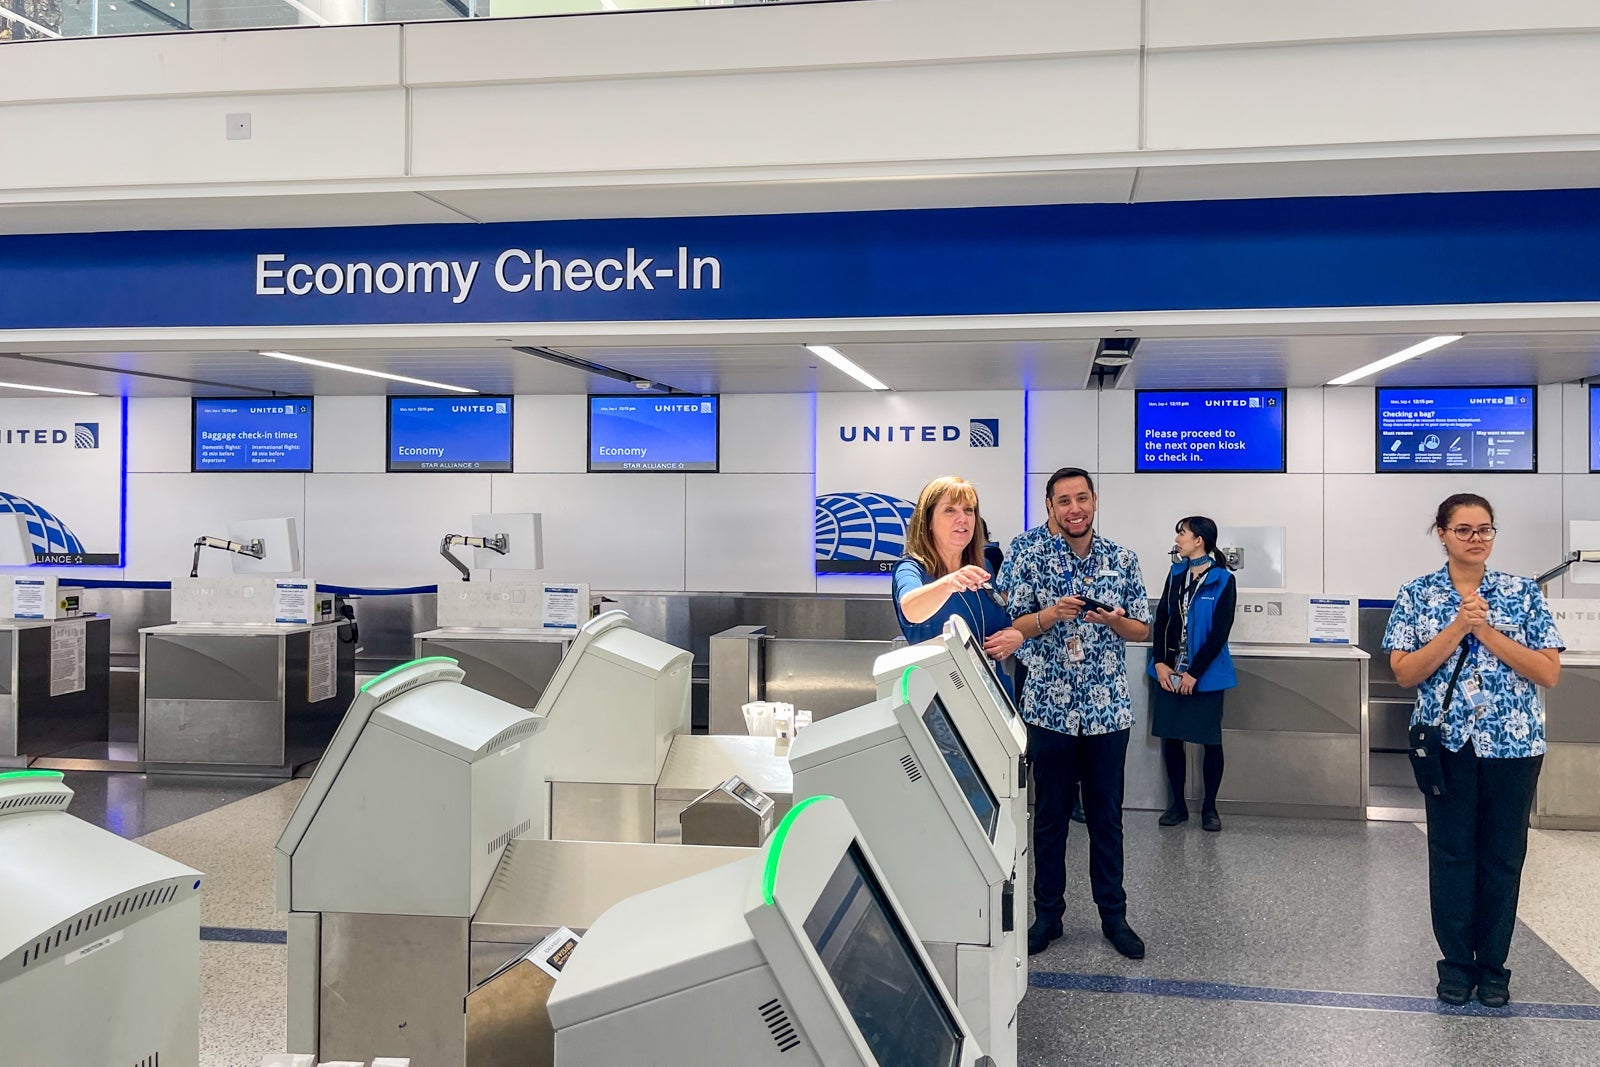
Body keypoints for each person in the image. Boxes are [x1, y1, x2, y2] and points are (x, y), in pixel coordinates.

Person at [1383, 493, 1563, 1009]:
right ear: (1440, 533)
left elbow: (1548, 671)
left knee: (1503, 858)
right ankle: (1457, 965)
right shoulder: (1417, 594)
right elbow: (1403, 672)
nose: (1476, 538)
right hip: (1448, 746)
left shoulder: (1522, 593)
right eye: (1463, 529)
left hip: (1514, 744)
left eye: (1485, 529)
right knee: (1452, 854)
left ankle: (1495, 967)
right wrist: (1458, 627)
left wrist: (1486, 631)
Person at [996, 467, 1151, 960]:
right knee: (1050, 820)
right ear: (1050, 508)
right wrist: (1049, 616)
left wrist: (1116, 620)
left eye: (1081, 498)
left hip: (1108, 713)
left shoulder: (1122, 559)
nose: (1074, 509)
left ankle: (1114, 917)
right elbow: (1011, 623)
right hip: (1048, 709)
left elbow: (1142, 631)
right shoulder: (1026, 553)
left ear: (1095, 500)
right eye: (1063, 501)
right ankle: (1047, 917)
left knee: (1107, 819)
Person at [1149, 516, 1237, 833]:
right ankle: (1177, 806)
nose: (1178, 540)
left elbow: (1219, 633)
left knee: (1210, 740)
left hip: (1206, 675)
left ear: (1198, 539)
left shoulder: (1223, 580)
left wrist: (1194, 673)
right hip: (1170, 672)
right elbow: (1161, 621)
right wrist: (1160, 662)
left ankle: (1209, 808)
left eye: (1182, 534)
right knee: (1172, 738)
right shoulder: (1175, 576)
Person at [892, 477, 1023, 677]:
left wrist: (1015, 636)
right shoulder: (911, 569)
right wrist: (950, 582)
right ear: (928, 521)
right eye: (950, 510)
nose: (963, 518)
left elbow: (1002, 624)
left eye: (968, 510)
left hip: (993, 692)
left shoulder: (983, 567)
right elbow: (911, 609)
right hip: (945, 696)